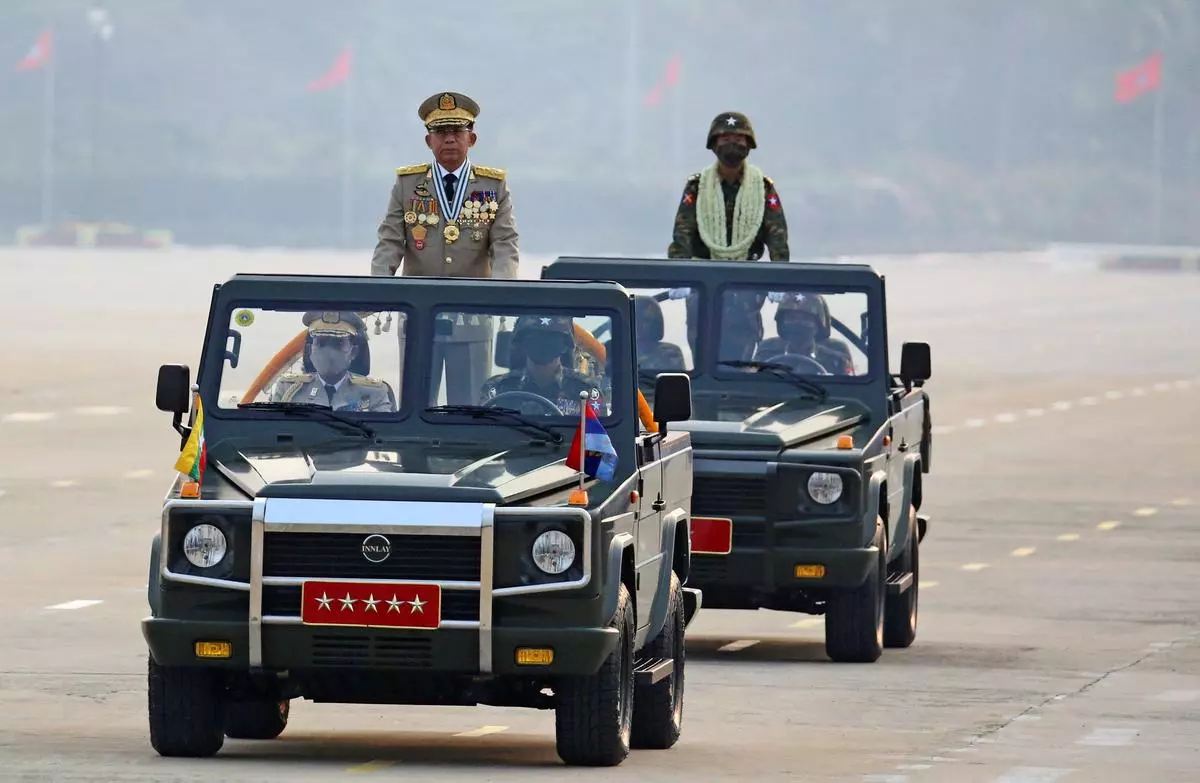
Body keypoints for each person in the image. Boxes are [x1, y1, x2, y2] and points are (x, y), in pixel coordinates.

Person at [370, 91, 519, 404]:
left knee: (468, 409)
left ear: (471, 138)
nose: (449, 140)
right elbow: (390, 240)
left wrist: (504, 289)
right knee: (415, 405)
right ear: (429, 141)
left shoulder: (493, 186)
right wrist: (379, 286)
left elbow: (505, 243)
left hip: (472, 315)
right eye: (440, 133)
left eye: (456, 132)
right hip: (418, 315)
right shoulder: (408, 184)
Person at [667, 112, 788, 363]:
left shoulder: (762, 188)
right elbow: (683, 232)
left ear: (749, 144)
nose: (733, 144)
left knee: (742, 343)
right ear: (714, 144)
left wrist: (780, 275)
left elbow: (777, 235)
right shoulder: (698, 186)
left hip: (746, 281)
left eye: (739, 138)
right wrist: (679, 272)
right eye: (726, 138)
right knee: (702, 342)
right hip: (702, 279)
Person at [480, 315, 605, 416]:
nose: (543, 345)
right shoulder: (496, 389)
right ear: (521, 343)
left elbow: (599, 440)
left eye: (551, 339)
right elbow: (483, 435)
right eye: (535, 338)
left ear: (565, 345)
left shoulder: (586, 391)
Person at [269, 311, 396, 411]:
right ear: (309, 349)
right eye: (321, 343)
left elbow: (384, 439)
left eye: (338, 343)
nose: (328, 351)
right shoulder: (287, 389)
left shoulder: (375, 393)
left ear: (353, 352)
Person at [755, 293, 856, 375]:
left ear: (818, 325)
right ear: (781, 322)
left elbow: (851, 391)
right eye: (791, 318)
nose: (797, 323)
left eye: (805, 319)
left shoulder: (835, 359)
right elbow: (753, 385)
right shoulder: (766, 352)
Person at [634, 295, 687, 371]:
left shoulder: (670, 354)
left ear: (656, 324)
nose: (639, 325)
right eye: (636, 320)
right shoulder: (614, 350)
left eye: (647, 320)